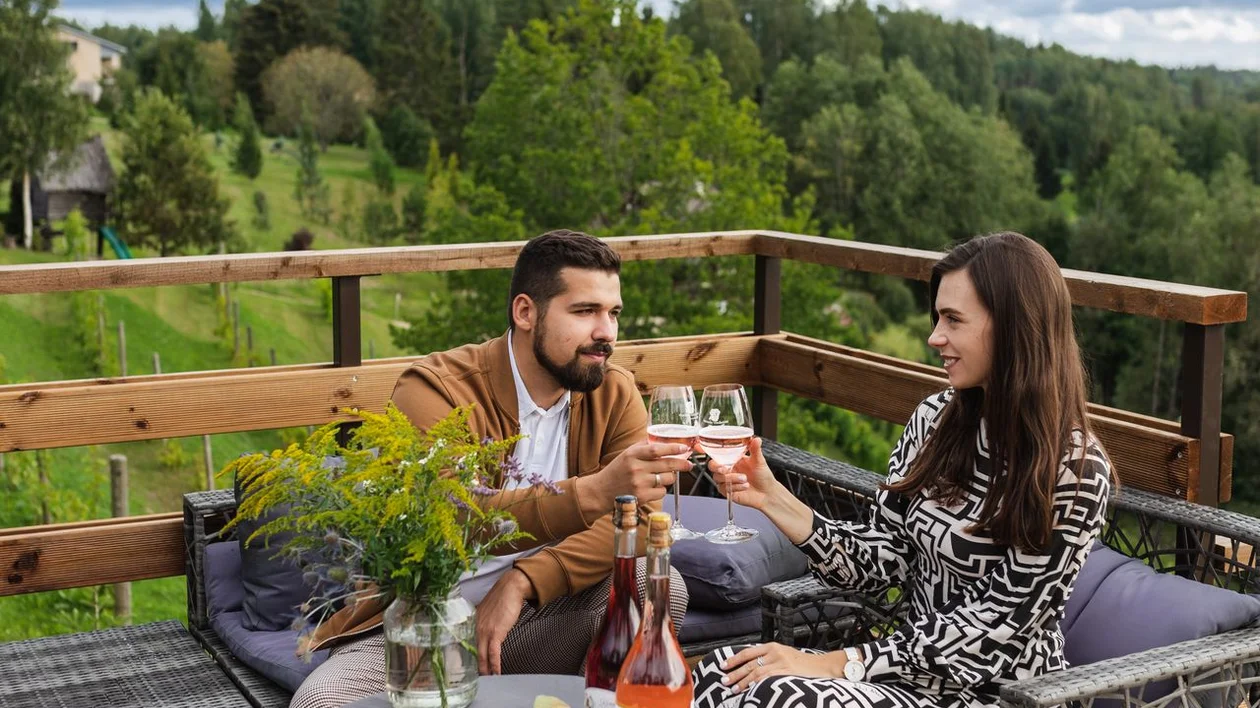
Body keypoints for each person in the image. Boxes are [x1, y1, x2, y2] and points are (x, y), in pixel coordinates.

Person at [691, 232, 1114, 708]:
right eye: (937, 317)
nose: (935, 337)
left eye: (953, 320)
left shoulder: (1074, 471)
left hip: (999, 694)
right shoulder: (935, 420)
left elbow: (994, 627)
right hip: (904, 679)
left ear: (1016, 328)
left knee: (775, 695)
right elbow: (879, 562)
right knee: (721, 673)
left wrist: (837, 664)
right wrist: (772, 497)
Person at [290, 229, 694, 708]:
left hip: (537, 616)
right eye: (585, 312)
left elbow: (642, 522)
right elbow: (452, 519)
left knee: (657, 581)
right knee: (322, 701)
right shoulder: (435, 391)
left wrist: (526, 579)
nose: (606, 332)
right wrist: (594, 492)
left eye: (613, 313)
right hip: (432, 623)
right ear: (526, 312)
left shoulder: (613, 391)